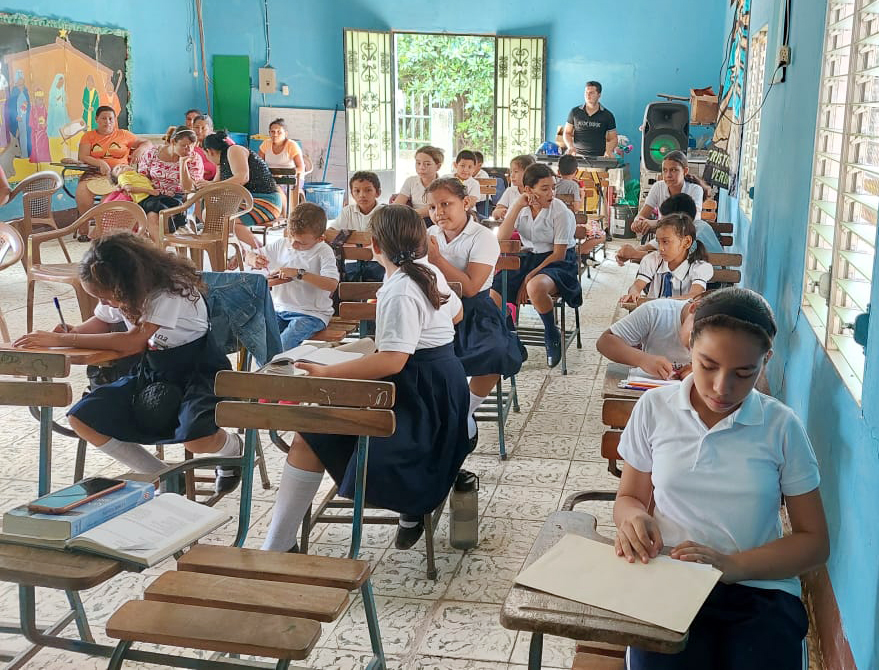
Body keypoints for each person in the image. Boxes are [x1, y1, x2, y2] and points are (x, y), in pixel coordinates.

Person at [614, 287, 828, 670]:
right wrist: (632, 518)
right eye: (707, 365)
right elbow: (628, 497)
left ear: (766, 362)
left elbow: (814, 543)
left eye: (744, 373)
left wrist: (732, 566)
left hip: (760, 592)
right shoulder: (655, 408)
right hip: (669, 581)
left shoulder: (781, 426)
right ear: (689, 346)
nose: (721, 387)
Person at [259, 204, 470, 553]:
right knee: (313, 435)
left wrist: (328, 372)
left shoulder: (401, 287)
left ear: (374, 246)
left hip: (419, 406)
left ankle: (277, 546)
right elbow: (456, 314)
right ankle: (280, 543)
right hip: (438, 389)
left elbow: (394, 360)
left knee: (310, 437)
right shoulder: (426, 271)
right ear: (423, 242)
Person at [13, 233, 244, 494]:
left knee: (197, 440)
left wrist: (62, 338)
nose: (103, 303)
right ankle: (163, 475)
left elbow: (133, 342)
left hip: (200, 372)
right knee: (83, 417)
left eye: (106, 297)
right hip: (154, 371)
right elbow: (101, 321)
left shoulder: (170, 290)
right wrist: (74, 329)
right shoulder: (126, 289)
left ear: (127, 284)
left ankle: (231, 449)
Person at [425, 177, 524, 446]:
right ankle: (436, 411)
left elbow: (470, 288)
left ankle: (464, 410)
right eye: (433, 208)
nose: (439, 213)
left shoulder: (482, 238)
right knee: (418, 353)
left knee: (496, 352)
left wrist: (436, 260)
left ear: (466, 203)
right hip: (438, 307)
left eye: (446, 204)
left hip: (476, 309)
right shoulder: (431, 235)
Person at [491, 163, 582, 367]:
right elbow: (502, 238)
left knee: (535, 287)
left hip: (558, 262)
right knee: (493, 295)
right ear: (528, 190)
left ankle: (551, 333)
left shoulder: (560, 211)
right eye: (544, 189)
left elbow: (559, 253)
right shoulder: (521, 207)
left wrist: (529, 276)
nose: (551, 193)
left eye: (553, 187)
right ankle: (511, 336)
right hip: (529, 258)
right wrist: (516, 206)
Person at [245, 203, 339, 350]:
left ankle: (273, 370)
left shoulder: (323, 251)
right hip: (279, 309)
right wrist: (254, 259)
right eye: (291, 237)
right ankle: (269, 370)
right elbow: (249, 255)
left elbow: (332, 284)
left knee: (284, 342)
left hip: (312, 314)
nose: (294, 245)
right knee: (258, 340)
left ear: (320, 239)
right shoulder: (282, 244)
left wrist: (298, 273)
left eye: (301, 243)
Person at [74, 105, 151, 239]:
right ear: (97, 119)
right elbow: (83, 156)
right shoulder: (88, 136)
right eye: (103, 118)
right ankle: (84, 228)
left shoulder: (124, 134)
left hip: (118, 176)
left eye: (111, 119)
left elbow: (147, 143)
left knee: (109, 200)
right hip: (94, 173)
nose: (107, 122)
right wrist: (101, 163)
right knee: (82, 192)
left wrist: (140, 149)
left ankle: (102, 231)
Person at [202, 130, 280, 250]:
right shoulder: (221, 164)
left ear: (209, 151)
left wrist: (210, 186)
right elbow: (216, 185)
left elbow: (242, 177)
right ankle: (243, 251)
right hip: (247, 201)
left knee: (222, 219)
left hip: (266, 202)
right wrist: (205, 184)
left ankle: (260, 250)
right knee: (209, 214)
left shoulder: (234, 150)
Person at [597, 298, 698, 380]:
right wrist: (643, 359)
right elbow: (604, 342)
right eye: (695, 335)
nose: (694, 348)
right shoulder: (655, 311)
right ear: (693, 308)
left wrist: (700, 370)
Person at [625, 213, 712, 302]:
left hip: (681, 315)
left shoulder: (699, 267)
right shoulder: (652, 259)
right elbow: (637, 285)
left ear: (686, 242)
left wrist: (662, 303)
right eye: (658, 242)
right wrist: (633, 292)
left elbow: (695, 295)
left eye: (665, 242)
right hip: (653, 314)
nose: (660, 248)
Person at [136, 127, 203, 242]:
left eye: (192, 146)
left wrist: (183, 164)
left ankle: (160, 253)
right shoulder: (152, 153)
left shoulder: (194, 158)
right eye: (184, 146)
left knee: (154, 216)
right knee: (152, 215)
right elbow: (141, 178)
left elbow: (188, 188)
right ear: (173, 142)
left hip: (180, 198)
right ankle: (161, 253)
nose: (189, 150)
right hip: (153, 195)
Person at [617, 193, 722, 265]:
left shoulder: (697, 233)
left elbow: (676, 258)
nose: (663, 225)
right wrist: (628, 252)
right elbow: (655, 247)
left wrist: (635, 254)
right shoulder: (688, 228)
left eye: (666, 222)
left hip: (713, 285)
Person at [632, 151, 707, 235]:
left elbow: (689, 222)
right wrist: (638, 222)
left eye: (673, 170)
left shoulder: (696, 190)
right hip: (664, 237)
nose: (668, 175)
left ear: (685, 171)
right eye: (665, 170)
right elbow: (642, 214)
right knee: (630, 248)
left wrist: (657, 223)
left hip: (687, 238)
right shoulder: (658, 187)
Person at [331, 170, 385, 281]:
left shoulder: (385, 212)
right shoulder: (347, 212)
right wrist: (361, 246)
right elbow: (332, 233)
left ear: (378, 193)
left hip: (379, 262)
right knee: (345, 283)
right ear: (352, 194)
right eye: (357, 191)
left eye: (368, 190)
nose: (362, 195)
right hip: (352, 262)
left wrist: (351, 244)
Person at [257, 118, 306, 210]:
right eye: (272, 131)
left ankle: (284, 213)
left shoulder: (292, 145)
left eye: (279, 132)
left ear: (285, 134)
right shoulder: (266, 144)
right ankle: (267, 211)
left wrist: (282, 174)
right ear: (269, 133)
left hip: (292, 178)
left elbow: (301, 168)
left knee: (276, 188)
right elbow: (259, 164)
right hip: (271, 177)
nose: (275, 134)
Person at [564, 81, 618, 157]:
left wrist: (609, 151)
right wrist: (570, 147)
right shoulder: (574, 112)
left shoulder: (607, 115)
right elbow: (567, 133)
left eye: (591, 93)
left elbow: (613, 138)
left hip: (599, 157)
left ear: (599, 95)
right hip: (577, 156)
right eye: (586, 92)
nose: (588, 95)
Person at [392, 145, 443, 218]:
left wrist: (408, 215)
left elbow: (432, 209)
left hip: (435, 219)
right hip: (414, 219)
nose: (421, 167)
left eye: (427, 164)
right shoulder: (411, 181)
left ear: (438, 166)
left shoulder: (443, 185)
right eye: (418, 163)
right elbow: (397, 205)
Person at [490, 154, 536, 221]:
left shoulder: (536, 192)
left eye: (516, 172)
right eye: (511, 172)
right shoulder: (510, 191)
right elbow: (495, 212)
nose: (512, 175)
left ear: (529, 173)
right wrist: (500, 212)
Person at [191, 114, 222, 182]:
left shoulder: (219, 143)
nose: (199, 131)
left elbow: (222, 166)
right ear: (192, 128)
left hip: (218, 181)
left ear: (210, 129)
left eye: (203, 128)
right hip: (195, 181)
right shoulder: (189, 145)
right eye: (196, 127)